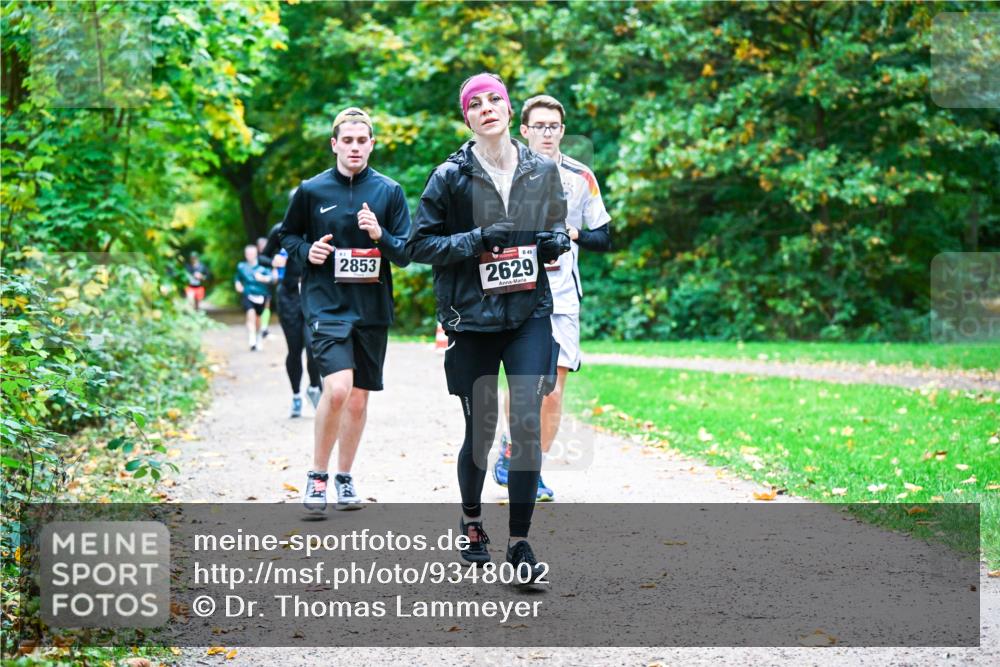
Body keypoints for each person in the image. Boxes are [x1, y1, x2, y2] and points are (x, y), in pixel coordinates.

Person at [406, 73, 570, 580]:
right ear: (467, 117)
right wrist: (476, 240)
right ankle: (472, 519)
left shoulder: (541, 170)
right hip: (471, 320)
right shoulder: (449, 176)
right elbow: (418, 246)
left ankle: (520, 544)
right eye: (474, 104)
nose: (486, 108)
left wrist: (551, 243)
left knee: (524, 424)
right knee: (480, 432)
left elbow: (557, 225)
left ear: (507, 106)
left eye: (493, 99)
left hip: (528, 314)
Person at [280, 107, 411, 514]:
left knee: (357, 400)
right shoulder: (312, 190)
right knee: (336, 388)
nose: (355, 147)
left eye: (362, 140)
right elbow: (287, 236)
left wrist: (380, 234)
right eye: (347, 141)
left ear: (372, 144)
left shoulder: (390, 191)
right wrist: (308, 250)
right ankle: (317, 476)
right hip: (326, 305)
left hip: (371, 308)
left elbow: (406, 251)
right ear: (334, 144)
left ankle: (345, 477)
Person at [492, 94, 613, 501]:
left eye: (554, 126)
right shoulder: (501, 172)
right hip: (516, 292)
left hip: (561, 297)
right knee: (524, 383)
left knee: (553, 389)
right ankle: (511, 448)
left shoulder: (581, 177)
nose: (547, 133)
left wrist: (571, 234)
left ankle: (532, 471)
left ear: (563, 130)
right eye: (539, 126)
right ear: (523, 131)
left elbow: (605, 236)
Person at [261, 218, 323, 418]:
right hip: (288, 296)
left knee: (314, 346)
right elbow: (263, 257)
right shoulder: (280, 230)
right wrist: (272, 261)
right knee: (295, 349)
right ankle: (296, 395)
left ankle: (314, 387)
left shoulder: (319, 227)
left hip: (313, 293)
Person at [234, 244, 275, 351]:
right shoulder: (241, 266)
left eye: (252, 253)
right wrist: (238, 285)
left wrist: (263, 278)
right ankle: (252, 340)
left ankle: (258, 338)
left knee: (258, 319)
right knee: (250, 315)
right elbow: (237, 278)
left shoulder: (263, 267)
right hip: (248, 294)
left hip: (262, 295)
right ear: (245, 255)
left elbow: (273, 279)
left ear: (256, 254)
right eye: (248, 254)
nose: (250, 256)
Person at [256, 236, 275, 339]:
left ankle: (264, 329)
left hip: (267, 287)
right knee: (258, 309)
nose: (264, 247)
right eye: (262, 245)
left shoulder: (270, 259)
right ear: (258, 247)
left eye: (265, 245)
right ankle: (259, 330)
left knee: (267, 307)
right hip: (257, 288)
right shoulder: (256, 259)